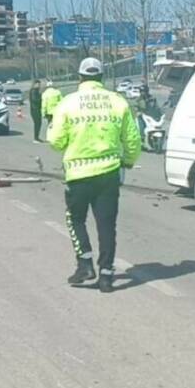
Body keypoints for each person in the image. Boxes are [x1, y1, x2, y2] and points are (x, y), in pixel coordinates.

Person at [48, 58, 141, 293]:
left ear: (80, 77)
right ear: (101, 77)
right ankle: (107, 276)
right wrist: (128, 161)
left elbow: (56, 141)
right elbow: (132, 138)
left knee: (75, 219)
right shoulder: (117, 102)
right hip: (108, 173)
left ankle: (85, 264)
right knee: (107, 225)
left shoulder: (68, 103)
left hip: (78, 174)